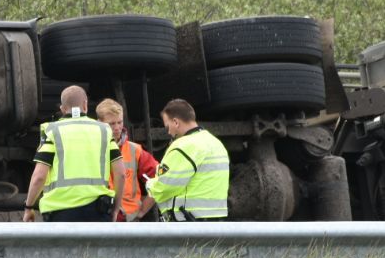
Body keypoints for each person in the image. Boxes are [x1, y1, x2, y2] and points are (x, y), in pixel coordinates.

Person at [23, 86, 125, 222]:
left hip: (61, 215)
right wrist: (116, 209)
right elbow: (121, 174)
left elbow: (39, 177)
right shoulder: (104, 131)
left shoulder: (52, 131)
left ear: (62, 109)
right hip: (97, 212)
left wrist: (28, 207)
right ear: (85, 104)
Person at [139, 98, 230, 221]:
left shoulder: (183, 146)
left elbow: (165, 186)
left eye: (167, 127)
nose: (169, 132)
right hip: (215, 221)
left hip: (188, 222)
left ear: (176, 122)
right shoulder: (215, 143)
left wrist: (150, 185)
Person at [94, 98, 159, 221]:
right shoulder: (90, 149)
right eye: (112, 124)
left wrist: (143, 209)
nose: (117, 127)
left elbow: (161, 177)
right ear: (99, 123)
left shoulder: (135, 150)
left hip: (129, 220)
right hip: (99, 219)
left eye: (120, 122)